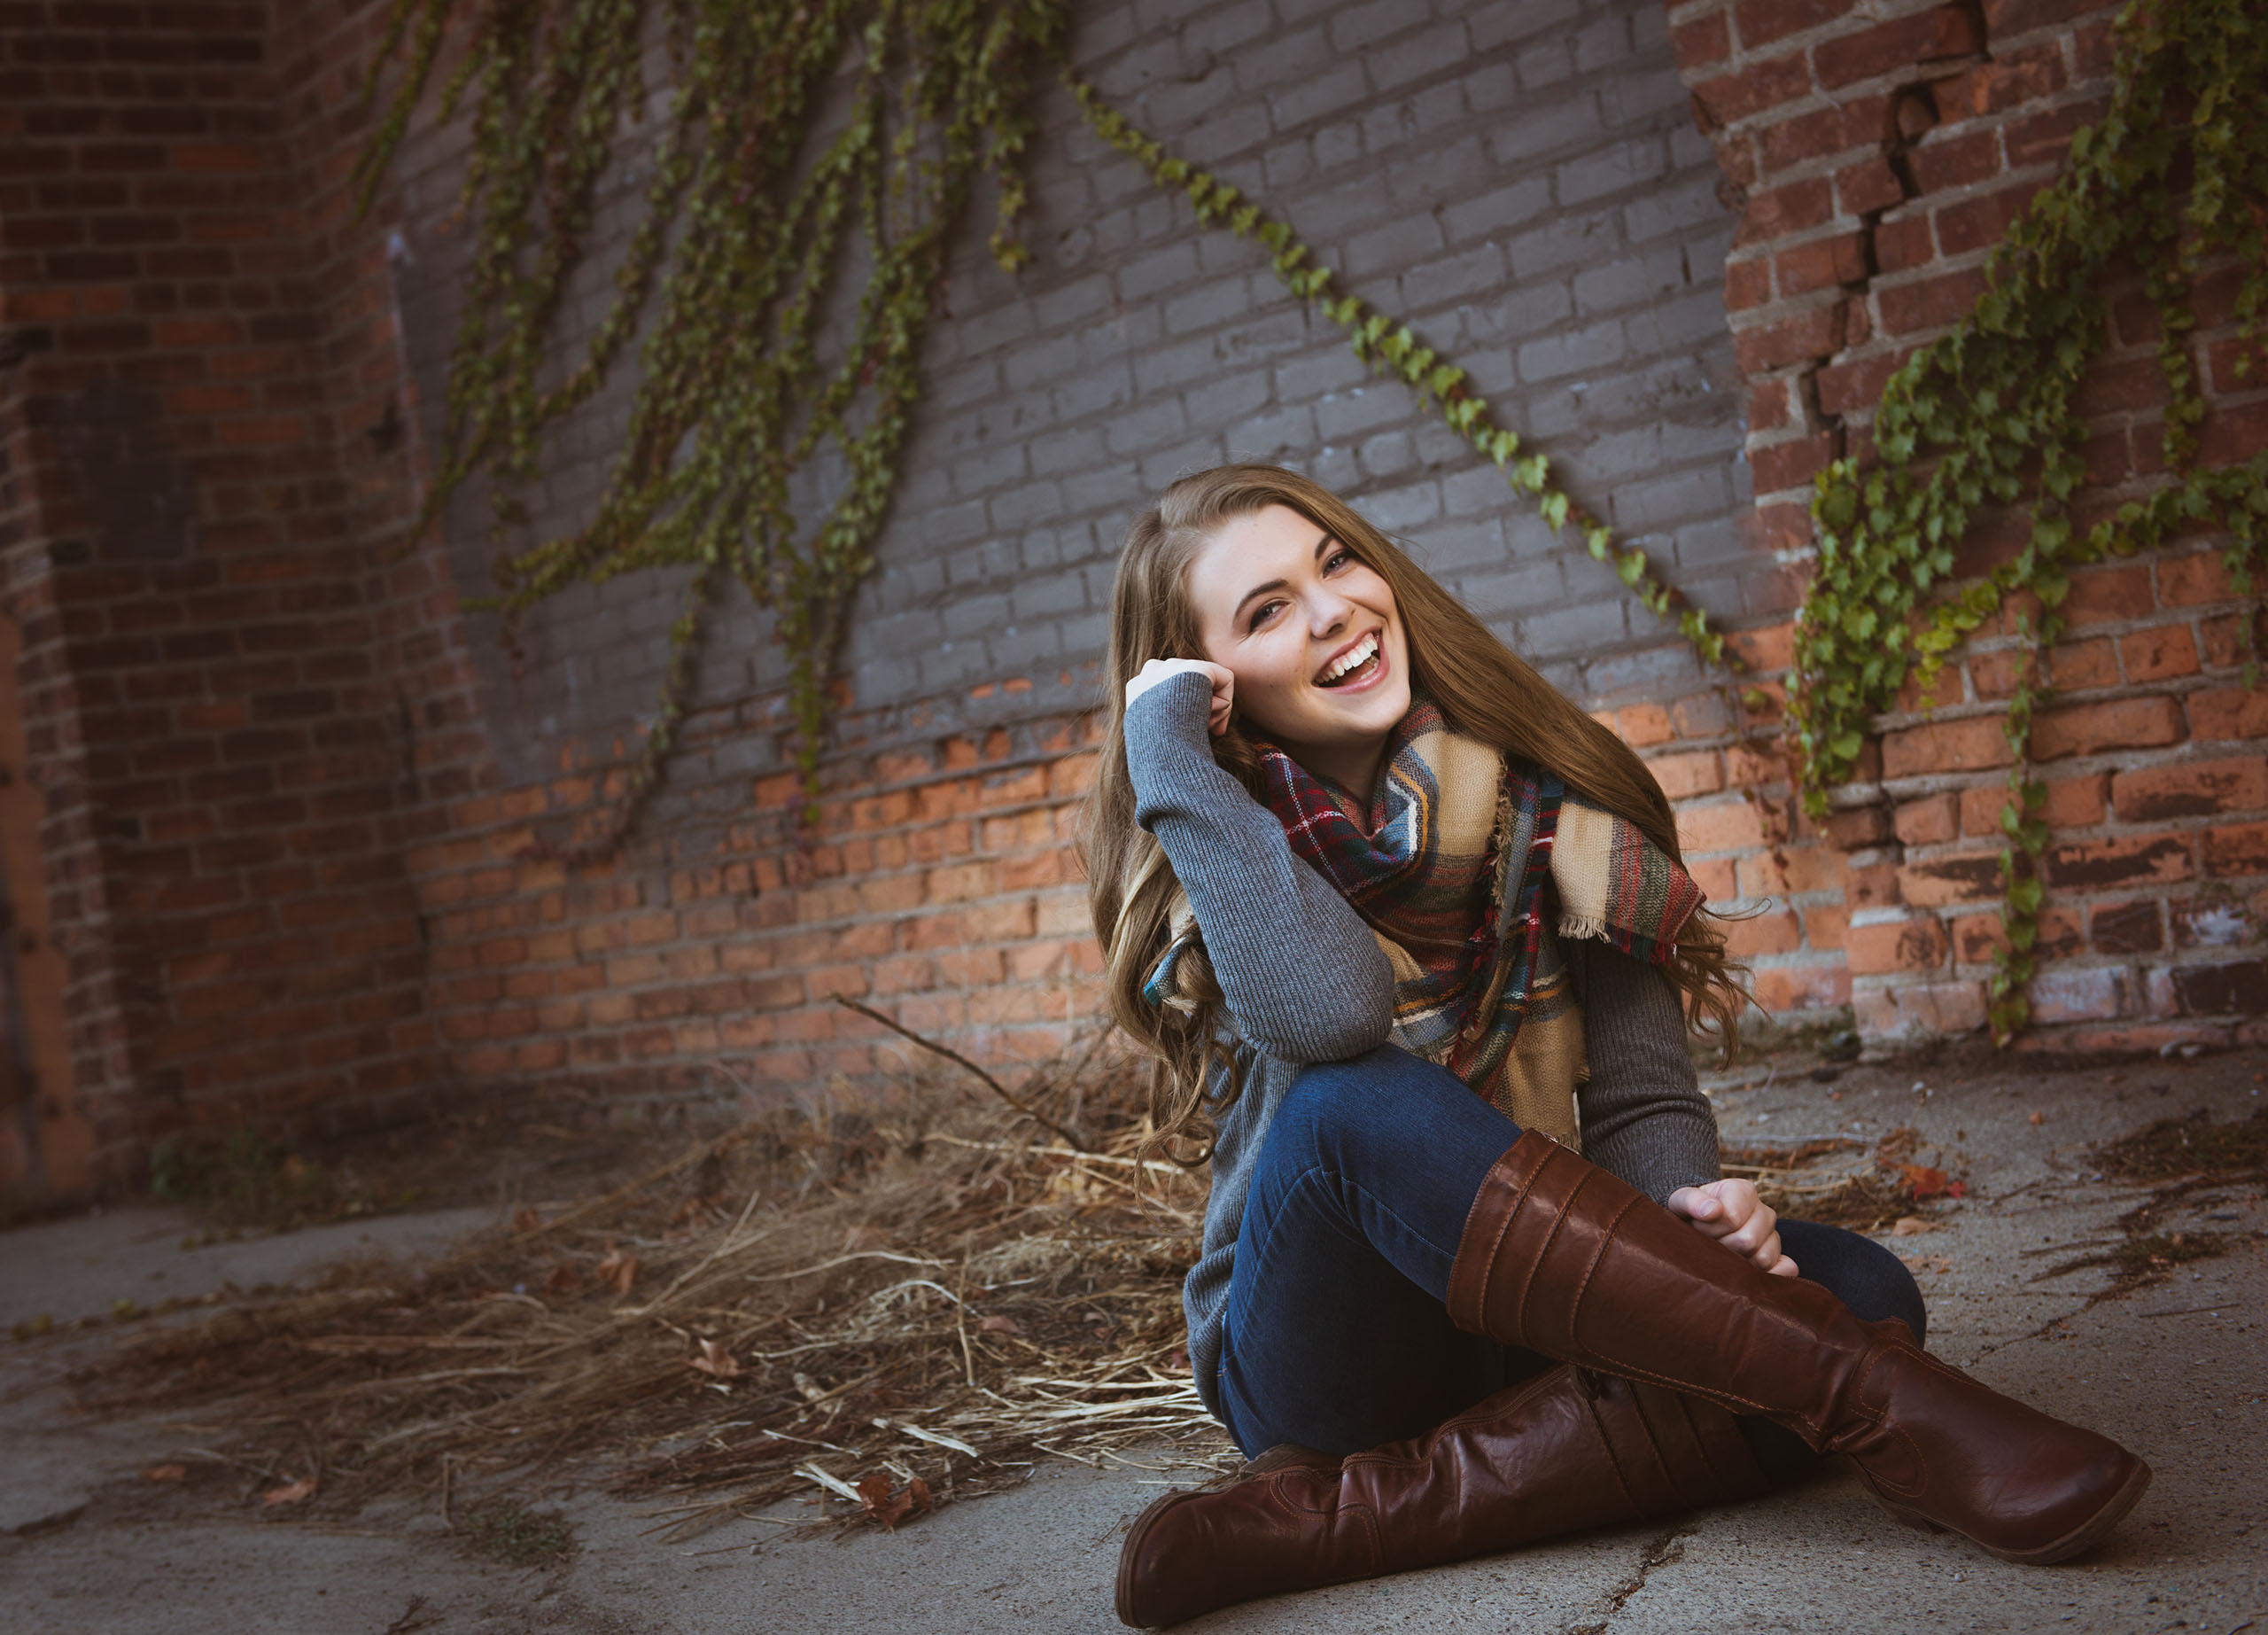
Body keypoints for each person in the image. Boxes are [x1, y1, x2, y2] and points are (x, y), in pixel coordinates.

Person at [1078, 465, 2149, 1629]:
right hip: (1322, 1354)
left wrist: (1688, 1212)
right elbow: (1332, 1017)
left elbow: (1642, 1103)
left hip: (1527, 1313)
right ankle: (1878, 1404)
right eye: (1267, 609)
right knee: (1351, 1105)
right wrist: (1172, 761)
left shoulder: (1563, 813)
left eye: (1336, 562)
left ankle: (1334, 1519)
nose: (1332, 607)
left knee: (1865, 1285)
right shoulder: (1224, 851)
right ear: (1213, 689)